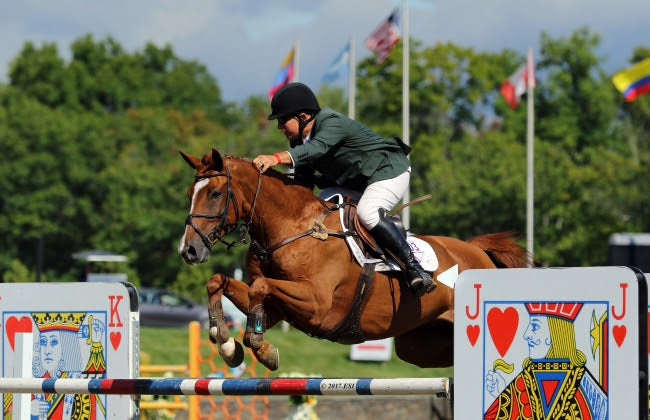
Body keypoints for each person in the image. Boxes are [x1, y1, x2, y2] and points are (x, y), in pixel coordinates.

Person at [253, 82, 436, 296]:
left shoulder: (331, 122)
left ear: (302, 116)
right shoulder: (299, 143)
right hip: (356, 182)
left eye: (283, 120)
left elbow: (316, 149)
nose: (279, 127)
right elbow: (302, 186)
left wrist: (275, 158)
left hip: (388, 171)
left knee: (367, 212)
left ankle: (415, 268)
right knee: (314, 213)